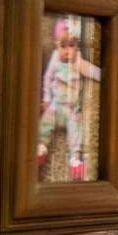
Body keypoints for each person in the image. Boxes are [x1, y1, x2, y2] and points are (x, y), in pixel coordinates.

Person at [38, 19, 99, 181]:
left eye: (71, 45)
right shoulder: (54, 59)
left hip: (72, 109)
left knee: (77, 128)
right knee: (45, 122)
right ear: (56, 45)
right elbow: (47, 78)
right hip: (56, 105)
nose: (67, 51)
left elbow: (89, 70)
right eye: (63, 46)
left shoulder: (77, 61)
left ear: (77, 46)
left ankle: (75, 157)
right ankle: (42, 146)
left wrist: (103, 74)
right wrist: (46, 98)